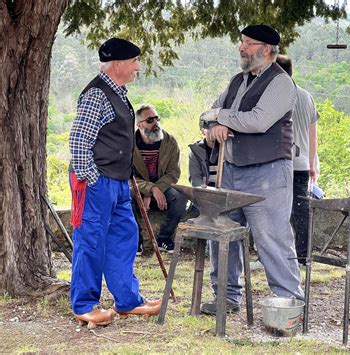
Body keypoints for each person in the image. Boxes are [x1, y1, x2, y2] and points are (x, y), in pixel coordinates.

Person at [199, 24, 304, 315]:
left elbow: (258, 121)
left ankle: (289, 305)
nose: (241, 48)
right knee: (223, 234)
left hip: (268, 173)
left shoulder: (281, 83)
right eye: (242, 42)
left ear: (266, 49)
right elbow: (207, 115)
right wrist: (212, 124)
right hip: (230, 169)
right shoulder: (237, 81)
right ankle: (226, 298)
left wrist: (220, 117)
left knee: (272, 238)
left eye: (248, 43)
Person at [68, 37, 161, 327]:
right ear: (118, 64)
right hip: (96, 181)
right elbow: (79, 140)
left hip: (118, 181)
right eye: (134, 61)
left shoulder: (118, 91)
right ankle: (84, 305)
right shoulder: (97, 94)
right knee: (91, 241)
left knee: (124, 238)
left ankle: (128, 301)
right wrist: (92, 179)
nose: (137, 67)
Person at [276, 55, 320, 265]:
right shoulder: (306, 96)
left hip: (279, 162)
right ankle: (303, 256)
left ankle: (280, 257)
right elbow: (313, 134)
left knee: (276, 210)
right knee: (301, 211)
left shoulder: (278, 97)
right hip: (302, 163)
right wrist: (312, 164)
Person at [132, 104, 187, 254]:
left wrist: (155, 189)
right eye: (150, 120)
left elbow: (173, 173)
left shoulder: (170, 142)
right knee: (121, 195)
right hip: (138, 190)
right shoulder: (129, 145)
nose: (156, 123)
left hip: (163, 190)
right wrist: (150, 189)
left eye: (157, 119)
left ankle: (164, 238)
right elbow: (126, 176)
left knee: (181, 196)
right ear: (139, 124)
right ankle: (136, 241)